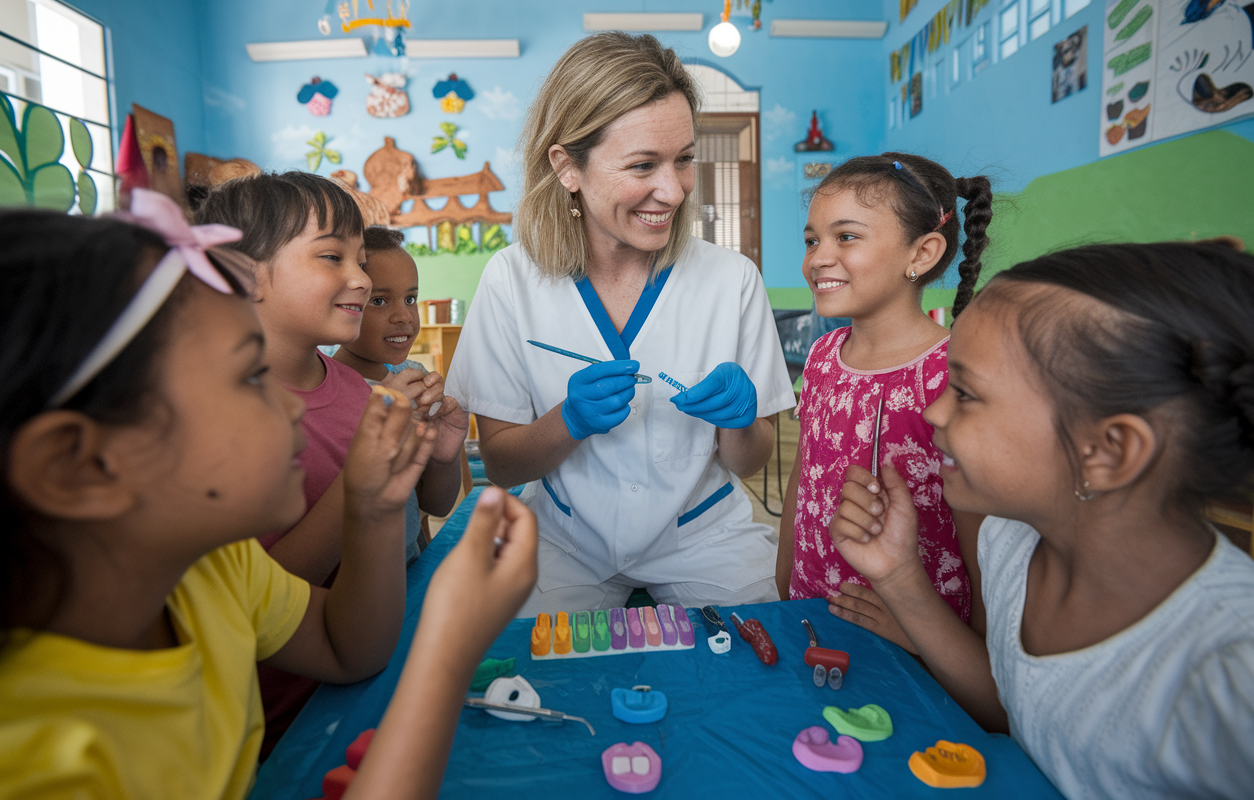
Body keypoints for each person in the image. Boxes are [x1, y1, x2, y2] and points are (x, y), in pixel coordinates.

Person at [0, 198, 538, 799]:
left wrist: (370, 506)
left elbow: (348, 649)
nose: (293, 403)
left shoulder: (213, 570)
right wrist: (447, 649)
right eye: (249, 376)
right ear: (78, 466)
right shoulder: (26, 761)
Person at [830, 242, 1254, 799]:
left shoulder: (1229, 678)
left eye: (965, 393)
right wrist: (898, 577)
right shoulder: (1007, 541)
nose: (934, 412)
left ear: (1108, 450)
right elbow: (1013, 710)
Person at [446, 32, 796, 615]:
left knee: (752, 669)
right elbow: (503, 464)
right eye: (642, 165)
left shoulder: (731, 279)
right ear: (567, 167)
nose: (674, 189)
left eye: (685, 159)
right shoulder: (511, 279)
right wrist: (568, 421)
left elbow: (750, 459)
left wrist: (740, 424)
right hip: (564, 539)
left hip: (703, 535)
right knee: (525, 673)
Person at [193, 171, 379, 753]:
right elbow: (254, 591)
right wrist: (364, 485)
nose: (361, 278)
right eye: (331, 256)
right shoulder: (211, 416)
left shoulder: (356, 391)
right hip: (271, 726)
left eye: (361, 258)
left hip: (350, 678)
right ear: (243, 273)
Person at [775, 154, 992, 650]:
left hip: (912, 634)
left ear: (922, 253)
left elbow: (983, 545)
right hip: (810, 608)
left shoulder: (949, 376)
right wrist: (784, 575)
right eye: (812, 241)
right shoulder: (824, 355)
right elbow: (805, 475)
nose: (818, 258)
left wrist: (932, 639)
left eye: (846, 237)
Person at [333, 226, 469, 561]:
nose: (404, 316)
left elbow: (434, 504)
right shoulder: (334, 391)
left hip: (410, 565)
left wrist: (443, 456)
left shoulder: (415, 380)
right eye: (379, 301)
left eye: (410, 299)